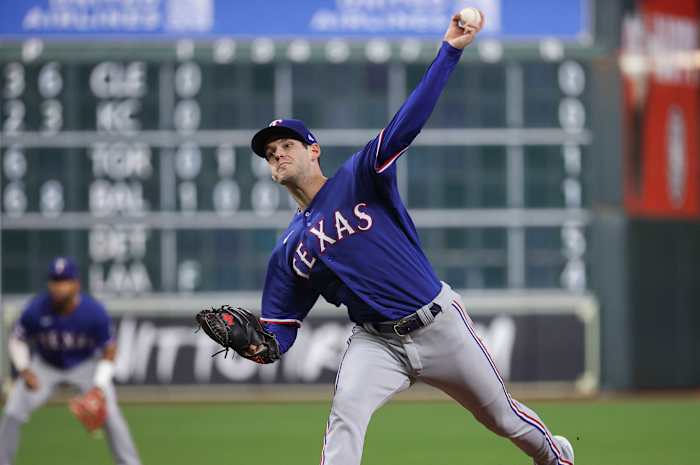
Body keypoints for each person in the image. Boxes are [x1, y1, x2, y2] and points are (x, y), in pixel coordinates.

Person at [249, 12, 574, 465]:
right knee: (345, 417)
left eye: (286, 144)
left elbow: (409, 119)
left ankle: (556, 458)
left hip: (439, 323)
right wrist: (257, 346)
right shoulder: (289, 251)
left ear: (313, 150)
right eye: (269, 152)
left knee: (503, 419)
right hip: (375, 342)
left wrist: (450, 51)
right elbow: (279, 331)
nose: (277, 153)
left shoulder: (359, 176)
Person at [0, 257, 141, 465]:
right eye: (55, 280)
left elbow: (109, 349)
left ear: (76, 284)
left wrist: (100, 386)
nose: (59, 286)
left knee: (111, 415)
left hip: (86, 365)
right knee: (13, 410)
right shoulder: (36, 309)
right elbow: (17, 339)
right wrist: (24, 369)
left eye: (64, 280)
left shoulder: (93, 311)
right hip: (45, 366)